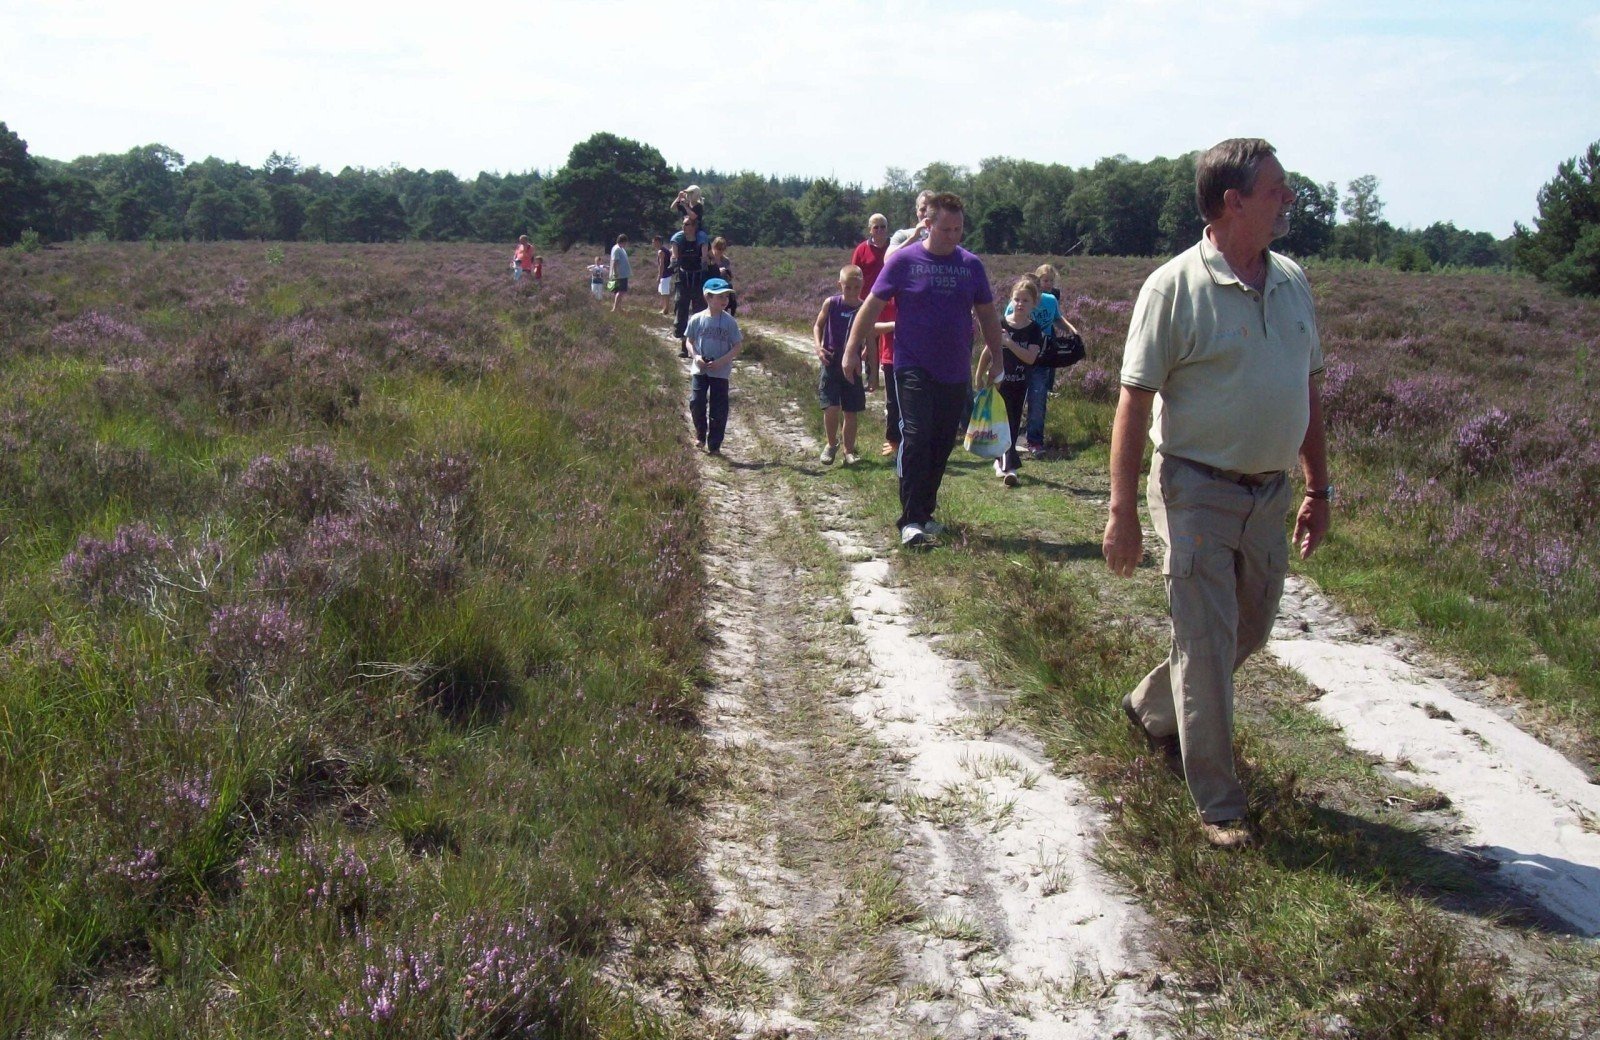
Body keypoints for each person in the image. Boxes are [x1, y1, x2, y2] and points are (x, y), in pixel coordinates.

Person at [1103, 138, 1331, 850]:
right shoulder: (1172, 287)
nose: (1289, 199)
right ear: (1233, 202)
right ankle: (1219, 804)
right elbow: (1134, 401)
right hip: (1195, 487)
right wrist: (1121, 513)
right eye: (1276, 190)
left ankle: (1151, 705)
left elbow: (1308, 389)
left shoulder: (1292, 280)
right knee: (1205, 643)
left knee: (1251, 627)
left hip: (1269, 491)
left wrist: (1319, 487)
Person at [842, 192, 1004, 547]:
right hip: (912, 366)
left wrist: (997, 356)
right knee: (916, 436)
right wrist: (852, 349)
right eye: (946, 229)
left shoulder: (970, 266)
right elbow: (871, 306)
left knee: (942, 442)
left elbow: (988, 314)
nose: (953, 236)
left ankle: (925, 512)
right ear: (927, 224)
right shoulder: (903, 262)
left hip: (954, 369)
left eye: (958, 229)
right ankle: (910, 519)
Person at [1001, 264, 1083, 457]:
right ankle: (1006, 440)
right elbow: (1007, 323)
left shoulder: (1050, 301)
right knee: (1013, 400)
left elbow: (1058, 318)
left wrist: (1072, 330)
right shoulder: (1018, 301)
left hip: (1042, 356)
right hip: (1018, 356)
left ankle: (1034, 440)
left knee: (1038, 397)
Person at [977, 276, 1045, 487]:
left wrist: (1010, 343)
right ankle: (1009, 468)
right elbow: (988, 351)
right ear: (1010, 300)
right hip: (999, 383)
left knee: (1013, 424)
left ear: (1034, 304)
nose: (1020, 304)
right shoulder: (1001, 324)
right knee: (1001, 423)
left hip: (1020, 383)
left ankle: (1002, 461)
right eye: (1017, 299)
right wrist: (979, 374)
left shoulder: (1034, 330)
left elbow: (1030, 357)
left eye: (1025, 300)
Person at [813, 265, 872, 466]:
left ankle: (849, 451)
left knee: (850, 410)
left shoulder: (864, 308)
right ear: (840, 285)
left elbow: (869, 337)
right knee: (831, 407)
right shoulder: (831, 303)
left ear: (862, 285)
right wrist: (818, 347)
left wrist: (868, 360)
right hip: (830, 360)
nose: (853, 292)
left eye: (857, 287)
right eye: (848, 287)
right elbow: (818, 325)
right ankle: (831, 445)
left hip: (852, 365)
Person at [686, 278, 743, 455]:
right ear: (708, 297)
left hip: (721, 372)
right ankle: (700, 435)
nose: (725, 300)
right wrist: (696, 357)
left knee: (719, 408)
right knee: (697, 402)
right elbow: (689, 341)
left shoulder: (730, 322)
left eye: (726, 296)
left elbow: (737, 346)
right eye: (720, 296)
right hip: (700, 370)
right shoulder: (696, 319)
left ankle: (715, 444)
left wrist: (722, 361)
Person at [670, 214, 711, 358]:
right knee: (681, 309)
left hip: (698, 279)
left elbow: (705, 259)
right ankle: (683, 345)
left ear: (694, 227)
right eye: (683, 224)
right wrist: (674, 261)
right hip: (683, 279)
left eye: (687, 224)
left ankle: (697, 345)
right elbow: (673, 256)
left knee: (698, 312)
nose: (684, 226)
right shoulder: (679, 240)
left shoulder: (701, 241)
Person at [885, 190, 935, 258]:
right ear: (917, 211)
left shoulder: (946, 237)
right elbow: (887, 260)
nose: (926, 214)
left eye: (930, 210)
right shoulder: (903, 235)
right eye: (923, 210)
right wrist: (914, 237)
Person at [704, 236, 737, 316]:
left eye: (723, 249)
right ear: (714, 247)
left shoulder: (726, 260)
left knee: (731, 301)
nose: (721, 251)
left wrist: (727, 272)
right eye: (719, 249)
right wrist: (717, 271)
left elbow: (730, 276)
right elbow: (705, 273)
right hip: (711, 285)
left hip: (723, 285)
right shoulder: (708, 259)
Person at [609, 234, 631, 313]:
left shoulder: (621, 249)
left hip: (623, 274)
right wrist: (616, 273)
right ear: (623, 241)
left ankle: (619, 307)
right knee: (620, 291)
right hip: (620, 275)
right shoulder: (617, 249)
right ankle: (615, 308)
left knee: (620, 291)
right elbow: (615, 262)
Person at [654, 235, 673, 315]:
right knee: (664, 291)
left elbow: (661, 265)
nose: (653, 244)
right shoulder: (665, 250)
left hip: (665, 274)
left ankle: (666, 309)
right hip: (667, 273)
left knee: (665, 292)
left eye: (654, 242)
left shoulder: (661, 251)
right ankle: (665, 308)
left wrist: (659, 275)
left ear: (658, 242)